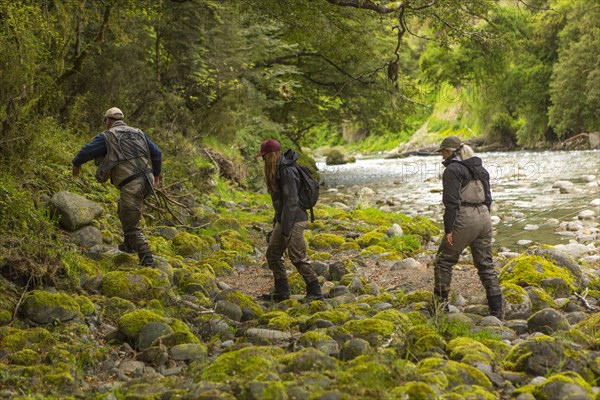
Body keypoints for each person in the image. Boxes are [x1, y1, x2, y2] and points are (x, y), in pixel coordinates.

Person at [72, 107, 162, 267]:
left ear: (107, 121)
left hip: (131, 184)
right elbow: (157, 153)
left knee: (132, 224)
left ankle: (147, 259)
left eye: (105, 121)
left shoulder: (108, 135)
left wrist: (77, 162)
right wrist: (156, 175)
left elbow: (88, 151)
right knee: (124, 209)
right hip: (147, 182)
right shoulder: (138, 133)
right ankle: (128, 245)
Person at [433, 136, 503, 319]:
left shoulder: (452, 170)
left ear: (449, 152)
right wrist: (483, 217)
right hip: (484, 218)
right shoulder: (481, 170)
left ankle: (439, 308)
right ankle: (497, 311)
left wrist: (449, 230)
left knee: (443, 261)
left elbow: (451, 203)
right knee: (486, 265)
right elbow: (488, 199)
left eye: (442, 152)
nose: (442, 156)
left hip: (464, 218)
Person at [257, 139, 323, 303]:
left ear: (272, 156)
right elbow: (281, 203)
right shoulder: (278, 170)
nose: (263, 160)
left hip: (295, 220)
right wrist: (277, 225)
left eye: (265, 156)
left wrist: (285, 230)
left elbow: (292, 202)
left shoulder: (287, 171)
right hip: (285, 219)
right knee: (273, 253)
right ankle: (282, 291)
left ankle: (315, 291)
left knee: (298, 256)